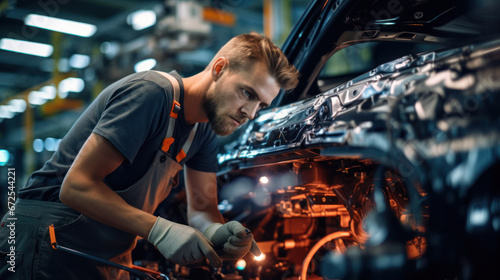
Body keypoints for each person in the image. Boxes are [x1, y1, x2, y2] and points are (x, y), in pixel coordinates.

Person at [0, 32, 299, 279]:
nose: (250, 112)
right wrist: (160, 229)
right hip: (45, 241)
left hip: (104, 253)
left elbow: (203, 210)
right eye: (247, 93)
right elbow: (76, 186)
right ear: (219, 68)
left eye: (261, 104)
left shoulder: (204, 130)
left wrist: (219, 232)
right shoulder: (151, 94)